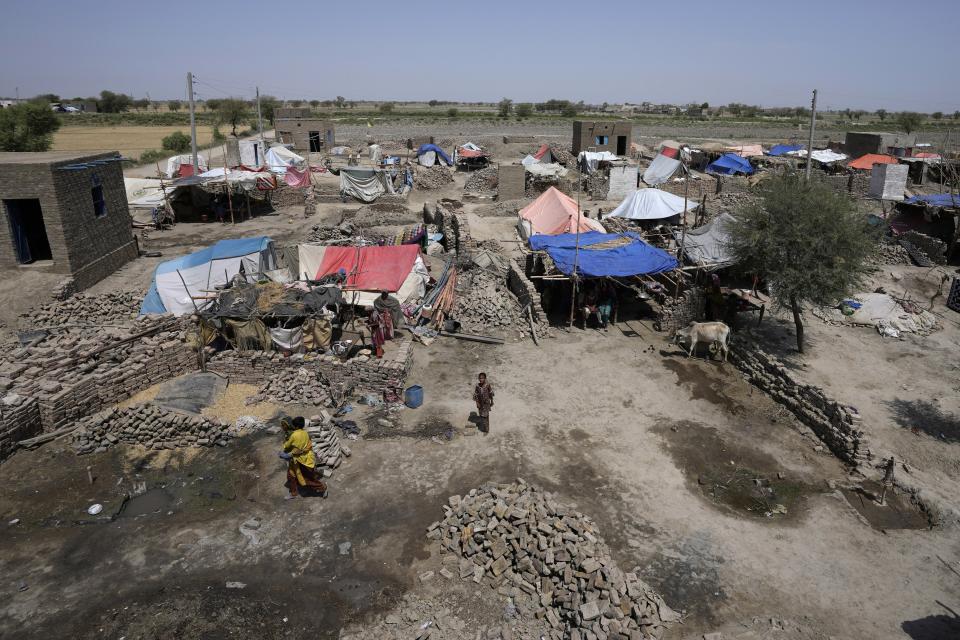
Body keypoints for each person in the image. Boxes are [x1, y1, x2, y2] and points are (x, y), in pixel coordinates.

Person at [279, 417, 328, 499]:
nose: (282, 427)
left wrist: (286, 454)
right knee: (291, 476)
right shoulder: (304, 432)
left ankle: (322, 487)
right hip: (299, 459)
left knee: (306, 479)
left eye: (283, 425)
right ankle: (293, 492)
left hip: (301, 461)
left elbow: (289, 447)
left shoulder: (293, 435)